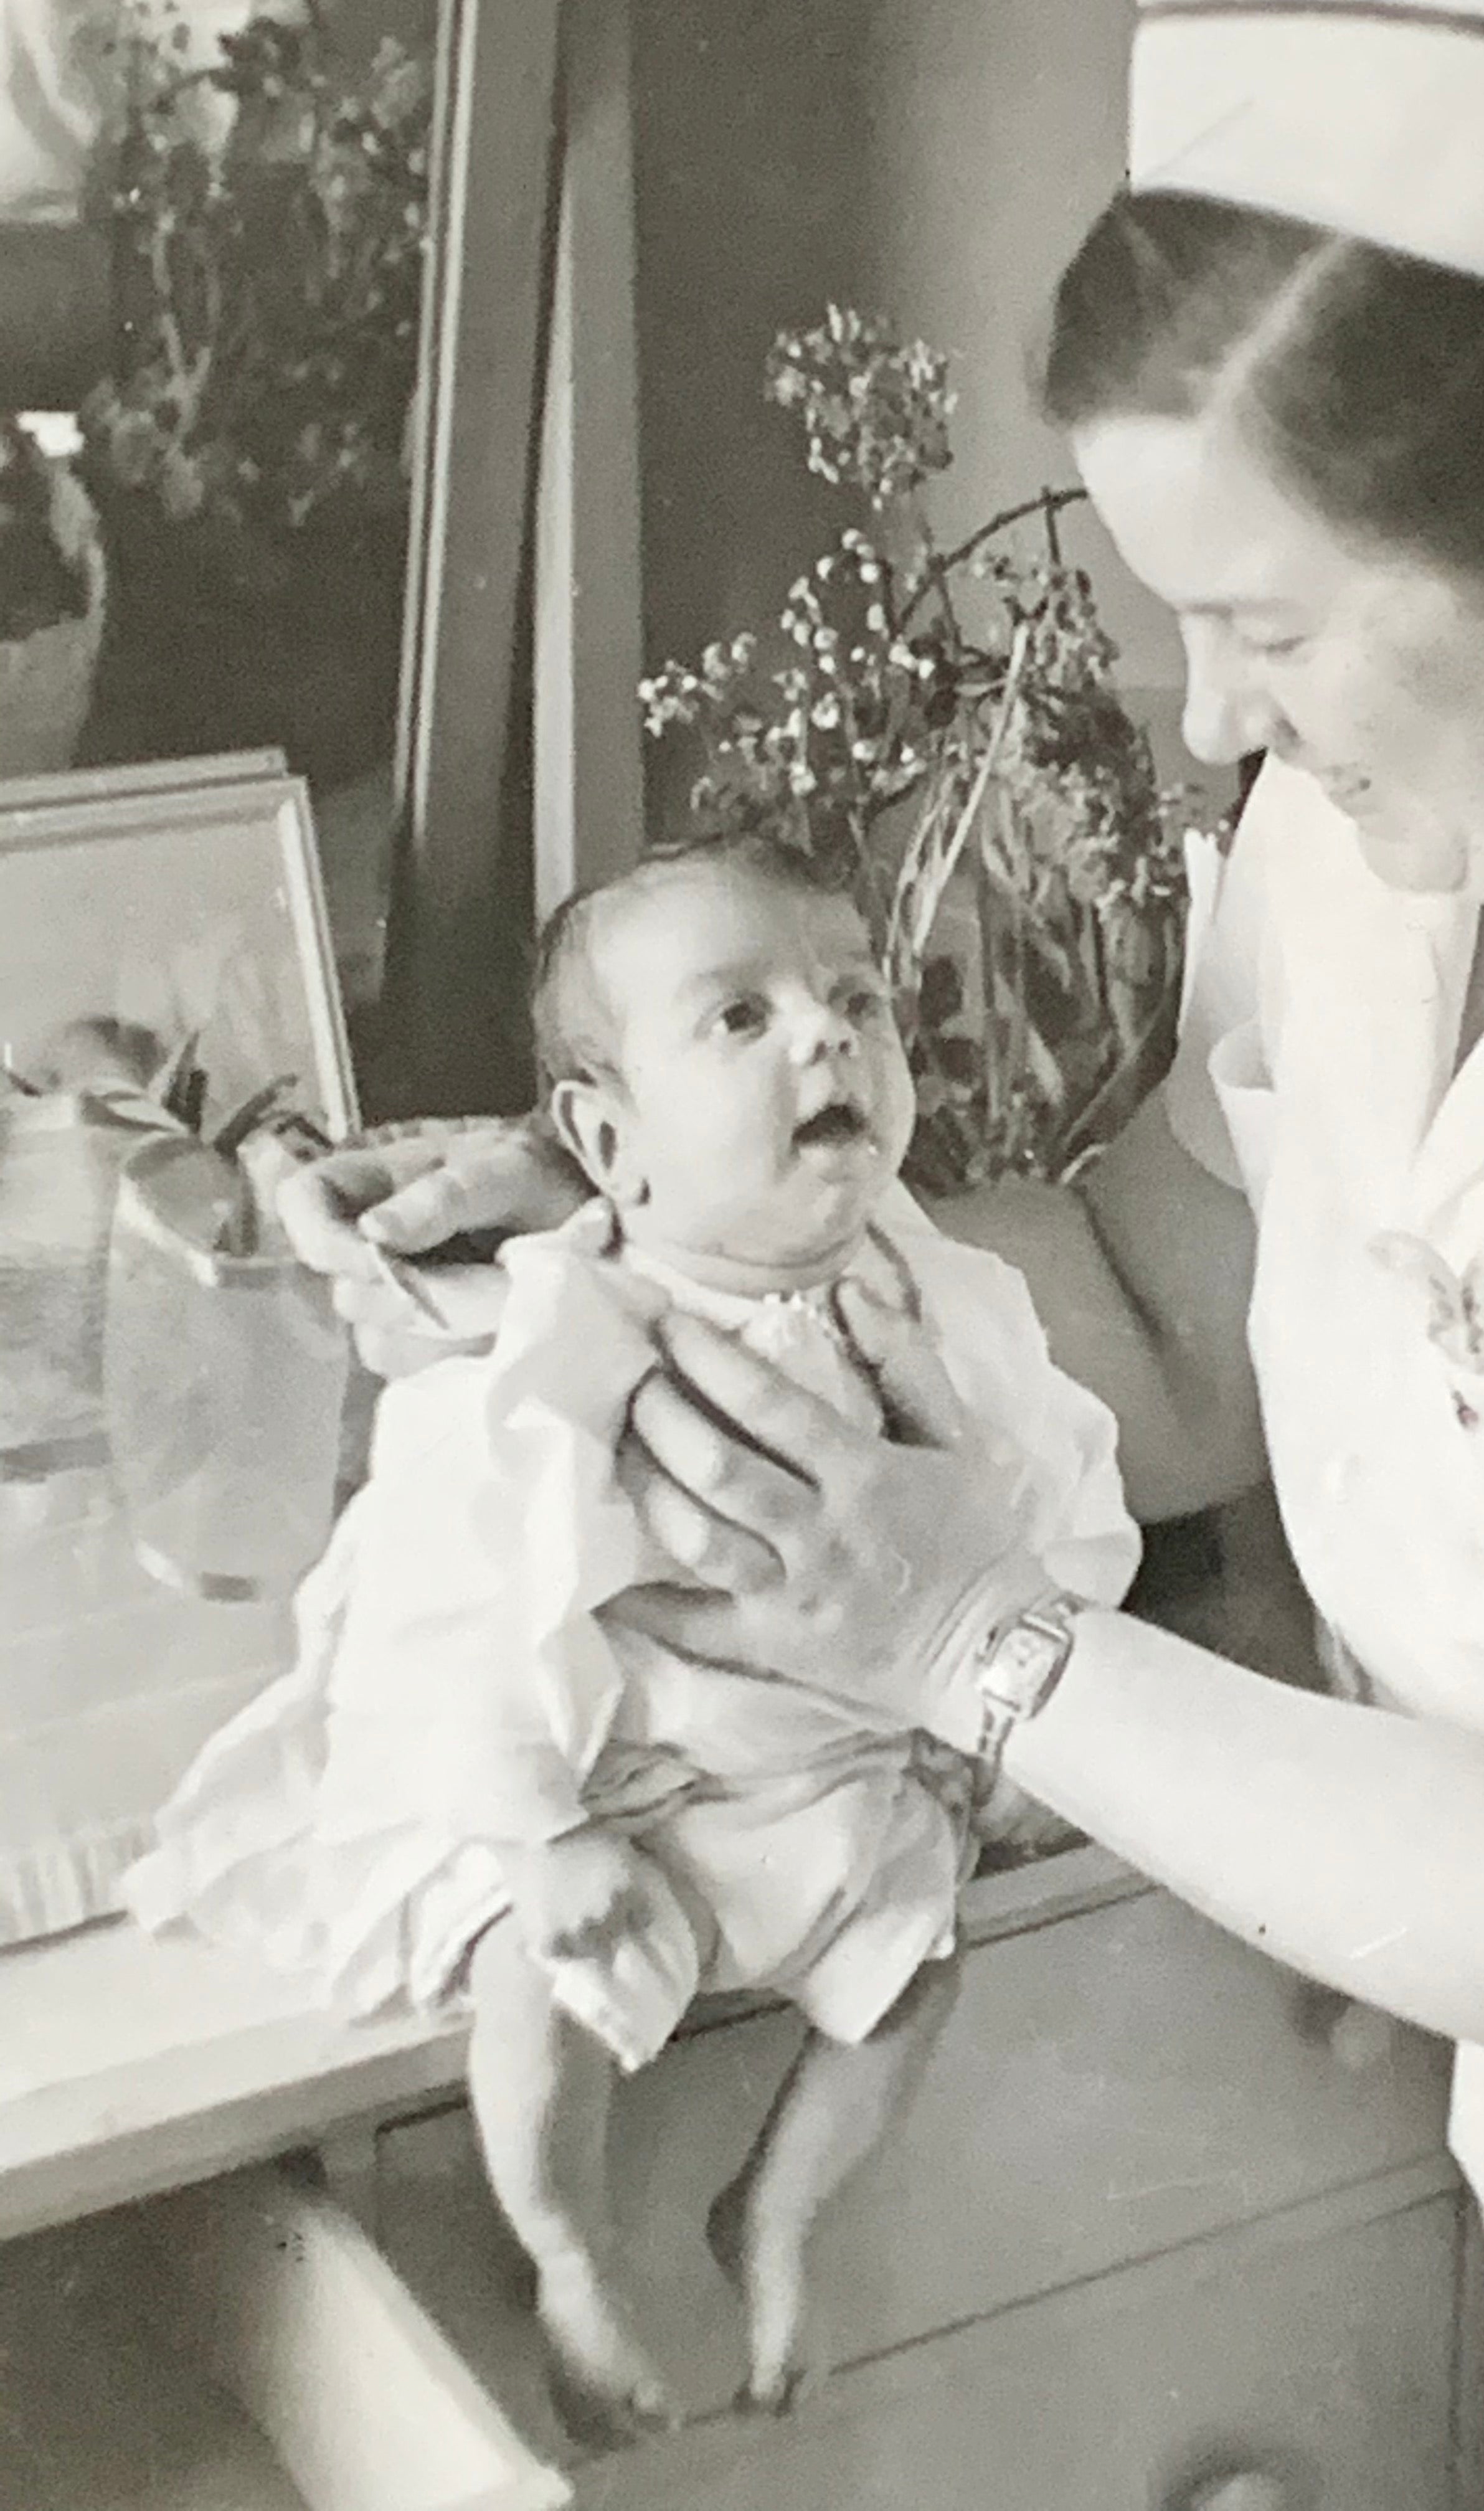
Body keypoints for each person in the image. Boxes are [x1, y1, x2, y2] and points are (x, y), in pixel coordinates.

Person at [280, 6, 1484, 2502]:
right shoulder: (1402, 824)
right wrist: (691, 1233)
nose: (1216, 726)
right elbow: (1157, 1297)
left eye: (1274, 617)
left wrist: (963, 1639)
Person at [132, 839, 1138, 2441]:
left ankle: (779, 2212)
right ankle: (565, 2253)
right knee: (545, 1982)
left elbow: (1040, 1476)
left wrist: (1023, 1710)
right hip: (630, 1786)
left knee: (918, 1965)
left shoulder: (940, 1292)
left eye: (857, 999)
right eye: (739, 1020)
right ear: (607, 1143)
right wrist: (539, 1831)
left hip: (841, 1768)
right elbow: (453, 1606)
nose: (829, 1038)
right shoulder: (557, 1339)